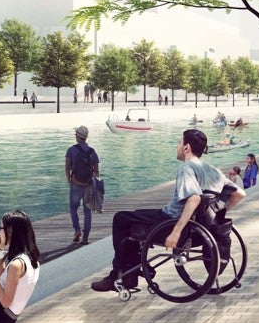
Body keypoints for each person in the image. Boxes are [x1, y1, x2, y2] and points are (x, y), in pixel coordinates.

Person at [91, 129, 244, 292]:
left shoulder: (187, 168)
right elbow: (239, 194)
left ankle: (120, 275)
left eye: (179, 142)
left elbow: (195, 198)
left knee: (122, 219)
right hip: (198, 230)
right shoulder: (213, 170)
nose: (177, 146)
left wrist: (176, 232)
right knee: (134, 218)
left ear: (186, 148)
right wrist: (220, 213)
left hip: (172, 223)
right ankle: (130, 272)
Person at [64, 125, 99, 246]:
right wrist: (94, 185)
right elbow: (97, 171)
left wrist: (70, 180)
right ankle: (86, 237)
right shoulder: (92, 151)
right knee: (87, 211)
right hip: (89, 184)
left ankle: (77, 230)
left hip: (76, 184)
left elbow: (67, 167)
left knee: (73, 208)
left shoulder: (71, 150)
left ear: (78, 136)